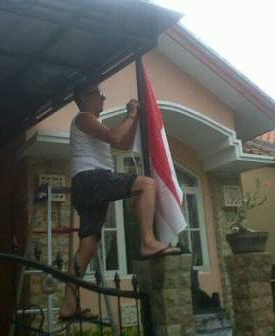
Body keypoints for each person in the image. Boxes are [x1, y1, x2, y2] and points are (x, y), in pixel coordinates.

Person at [59, 80, 180, 321]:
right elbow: (115, 137)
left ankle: (68, 305)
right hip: (91, 178)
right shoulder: (83, 117)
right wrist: (132, 114)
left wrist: (132, 117)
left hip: (86, 185)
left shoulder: (93, 123)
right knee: (147, 185)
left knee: (88, 246)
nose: (103, 99)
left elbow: (123, 143)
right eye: (99, 94)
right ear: (85, 98)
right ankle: (148, 241)